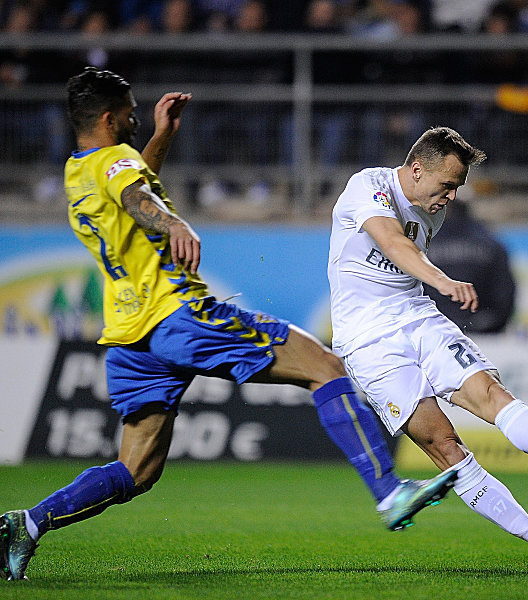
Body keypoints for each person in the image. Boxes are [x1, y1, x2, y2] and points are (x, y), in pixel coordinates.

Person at [0, 67, 456, 582]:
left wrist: (162, 138)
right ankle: (390, 492)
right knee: (325, 366)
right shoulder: (119, 165)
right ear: (109, 117)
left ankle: (27, 524)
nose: (134, 118)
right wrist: (172, 221)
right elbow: (134, 196)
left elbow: (125, 185)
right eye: (129, 111)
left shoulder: (78, 171)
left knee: (135, 471)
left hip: (131, 336)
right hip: (179, 314)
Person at [326, 126, 528, 570]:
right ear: (416, 169)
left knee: (490, 393)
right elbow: (391, 242)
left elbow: (405, 253)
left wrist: (432, 285)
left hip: (418, 319)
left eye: (457, 187)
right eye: (447, 184)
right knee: (446, 446)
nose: (451, 196)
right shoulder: (367, 186)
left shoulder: (434, 210)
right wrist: (442, 279)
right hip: (368, 342)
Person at [422, 198, 515, 334]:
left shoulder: (423, 240)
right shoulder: (489, 239)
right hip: (481, 333)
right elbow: (504, 296)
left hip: (429, 331)